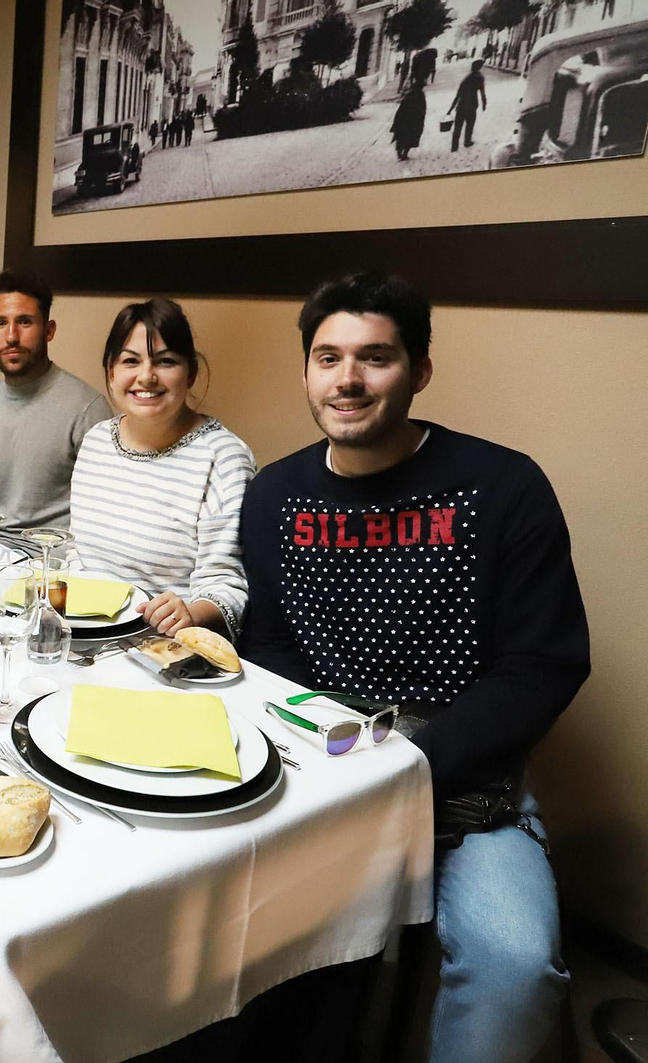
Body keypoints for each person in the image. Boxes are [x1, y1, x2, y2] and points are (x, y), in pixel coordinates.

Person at [239, 271, 588, 1062]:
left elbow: (541, 666)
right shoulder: (275, 495)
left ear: (420, 370)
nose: (348, 379)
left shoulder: (504, 486)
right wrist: (345, 756)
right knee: (261, 959)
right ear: (306, 372)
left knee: (516, 968)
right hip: (322, 774)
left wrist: (407, 762)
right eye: (328, 358)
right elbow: (271, 649)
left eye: (376, 357)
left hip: (464, 783)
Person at [69, 299, 254, 638]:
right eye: (130, 361)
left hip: (165, 650)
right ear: (111, 372)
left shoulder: (222, 457)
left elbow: (228, 586)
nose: (146, 377)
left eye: (166, 361)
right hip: (84, 637)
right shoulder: (97, 440)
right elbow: (78, 555)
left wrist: (191, 614)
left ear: (191, 373)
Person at [0, 269, 110, 531]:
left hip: (53, 559)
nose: (12, 336)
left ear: (49, 331)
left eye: (25, 322)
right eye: (0, 323)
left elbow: (105, 512)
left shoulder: (87, 409)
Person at [448, 59, 488, 151]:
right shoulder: (480, 78)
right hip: (472, 104)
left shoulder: (466, 78)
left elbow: (458, 95)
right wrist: (484, 103)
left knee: (458, 126)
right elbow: (482, 92)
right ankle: (467, 141)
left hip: (462, 104)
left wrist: (451, 108)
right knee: (470, 124)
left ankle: (454, 146)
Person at [391, 74, 428, 160]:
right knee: (411, 137)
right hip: (412, 120)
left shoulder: (410, 95)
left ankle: (400, 153)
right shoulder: (419, 95)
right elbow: (422, 109)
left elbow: (401, 108)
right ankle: (403, 153)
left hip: (405, 119)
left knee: (402, 137)